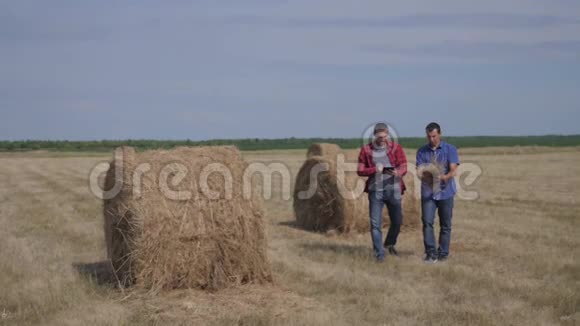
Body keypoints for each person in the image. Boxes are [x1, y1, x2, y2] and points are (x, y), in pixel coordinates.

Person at [357, 123, 408, 262]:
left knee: (397, 221)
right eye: (379, 137)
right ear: (374, 135)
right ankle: (379, 254)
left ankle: (389, 244)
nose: (382, 139)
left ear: (388, 135)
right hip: (376, 191)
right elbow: (360, 169)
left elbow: (404, 165)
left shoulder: (396, 148)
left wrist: (398, 172)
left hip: (394, 190)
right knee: (375, 224)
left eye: (385, 136)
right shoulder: (366, 149)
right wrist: (374, 169)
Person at [416, 122, 460, 263]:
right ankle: (431, 254)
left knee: (445, 225)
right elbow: (420, 172)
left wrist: (443, 177)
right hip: (428, 193)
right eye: (429, 136)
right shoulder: (422, 151)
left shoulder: (450, 149)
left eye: (434, 136)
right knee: (427, 222)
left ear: (440, 134)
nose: (431, 139)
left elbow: (453, 170)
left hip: (446, 192)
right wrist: (431, 177)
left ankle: (443, 254)